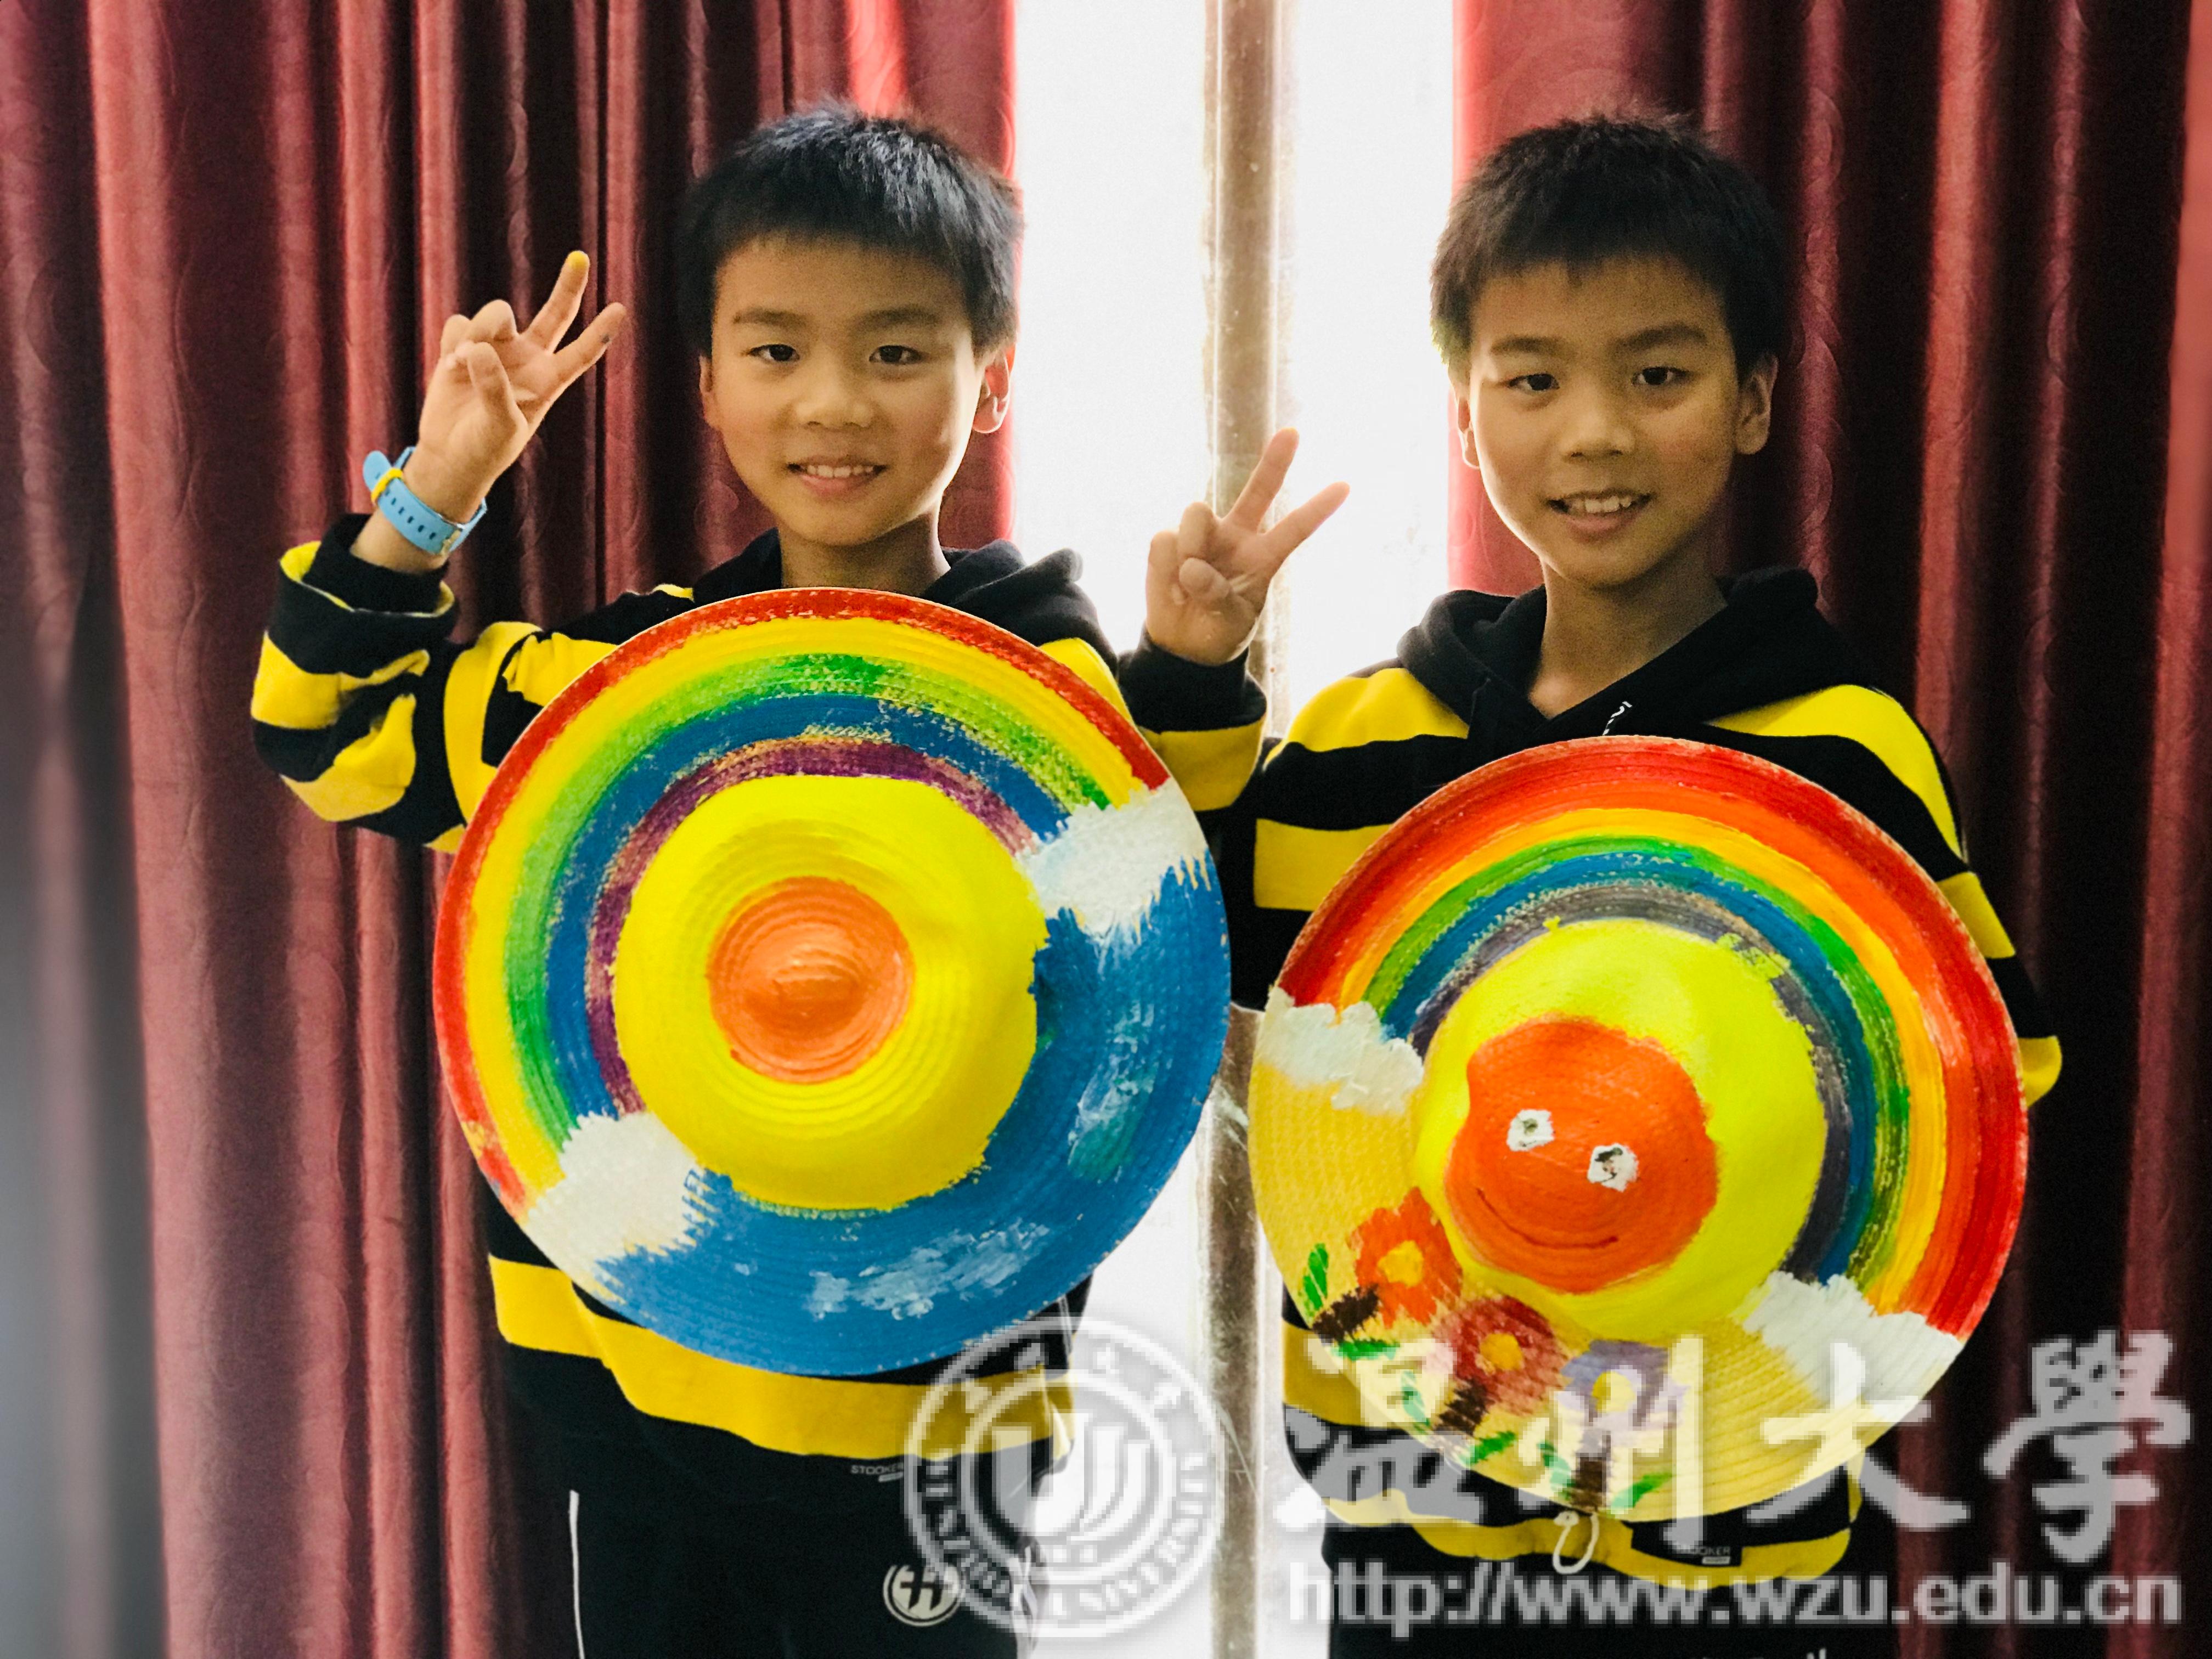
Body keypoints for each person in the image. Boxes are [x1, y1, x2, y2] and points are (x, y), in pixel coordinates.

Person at [249, 104, 1336, 1657]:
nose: (833, 402)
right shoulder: (619, 694)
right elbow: (330, 731)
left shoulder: (1053, 705)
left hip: (936, 1436)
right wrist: (434, 494)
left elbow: (1186, 937)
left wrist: (1197, 677)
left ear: (992, 377)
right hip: (641, 1404)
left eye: (896, 351)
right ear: (705, 384)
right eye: (775, 351)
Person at [1121, 113, 2061, 1658]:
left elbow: (1984, 1088)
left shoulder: (1836, 755)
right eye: (1533, 379)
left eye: (1659, 375)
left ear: (1754, 399)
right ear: (1465, 409)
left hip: (1727, 1532)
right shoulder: (1373, 737)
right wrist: (1191, 680)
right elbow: (1180, 952)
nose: (1596, 435)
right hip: (1416, 1512)